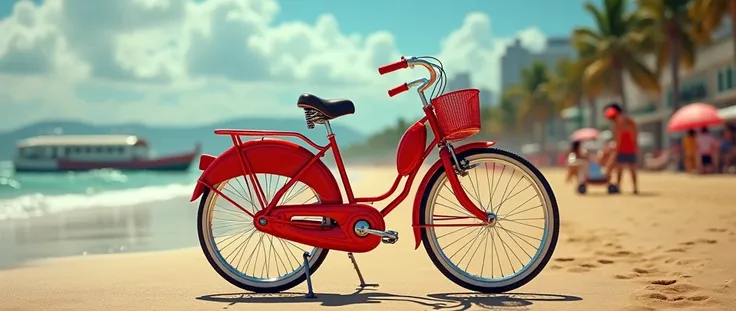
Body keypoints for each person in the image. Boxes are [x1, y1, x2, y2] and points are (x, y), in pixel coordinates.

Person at [604, 103, 639, 194]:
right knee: (624, 169)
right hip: (626, 149)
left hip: (627, 149)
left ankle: (630, 187)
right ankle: (625, 187)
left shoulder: (625, 123)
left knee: (628, 169)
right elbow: (632, 137)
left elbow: (621, 138)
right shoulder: (626, 122)